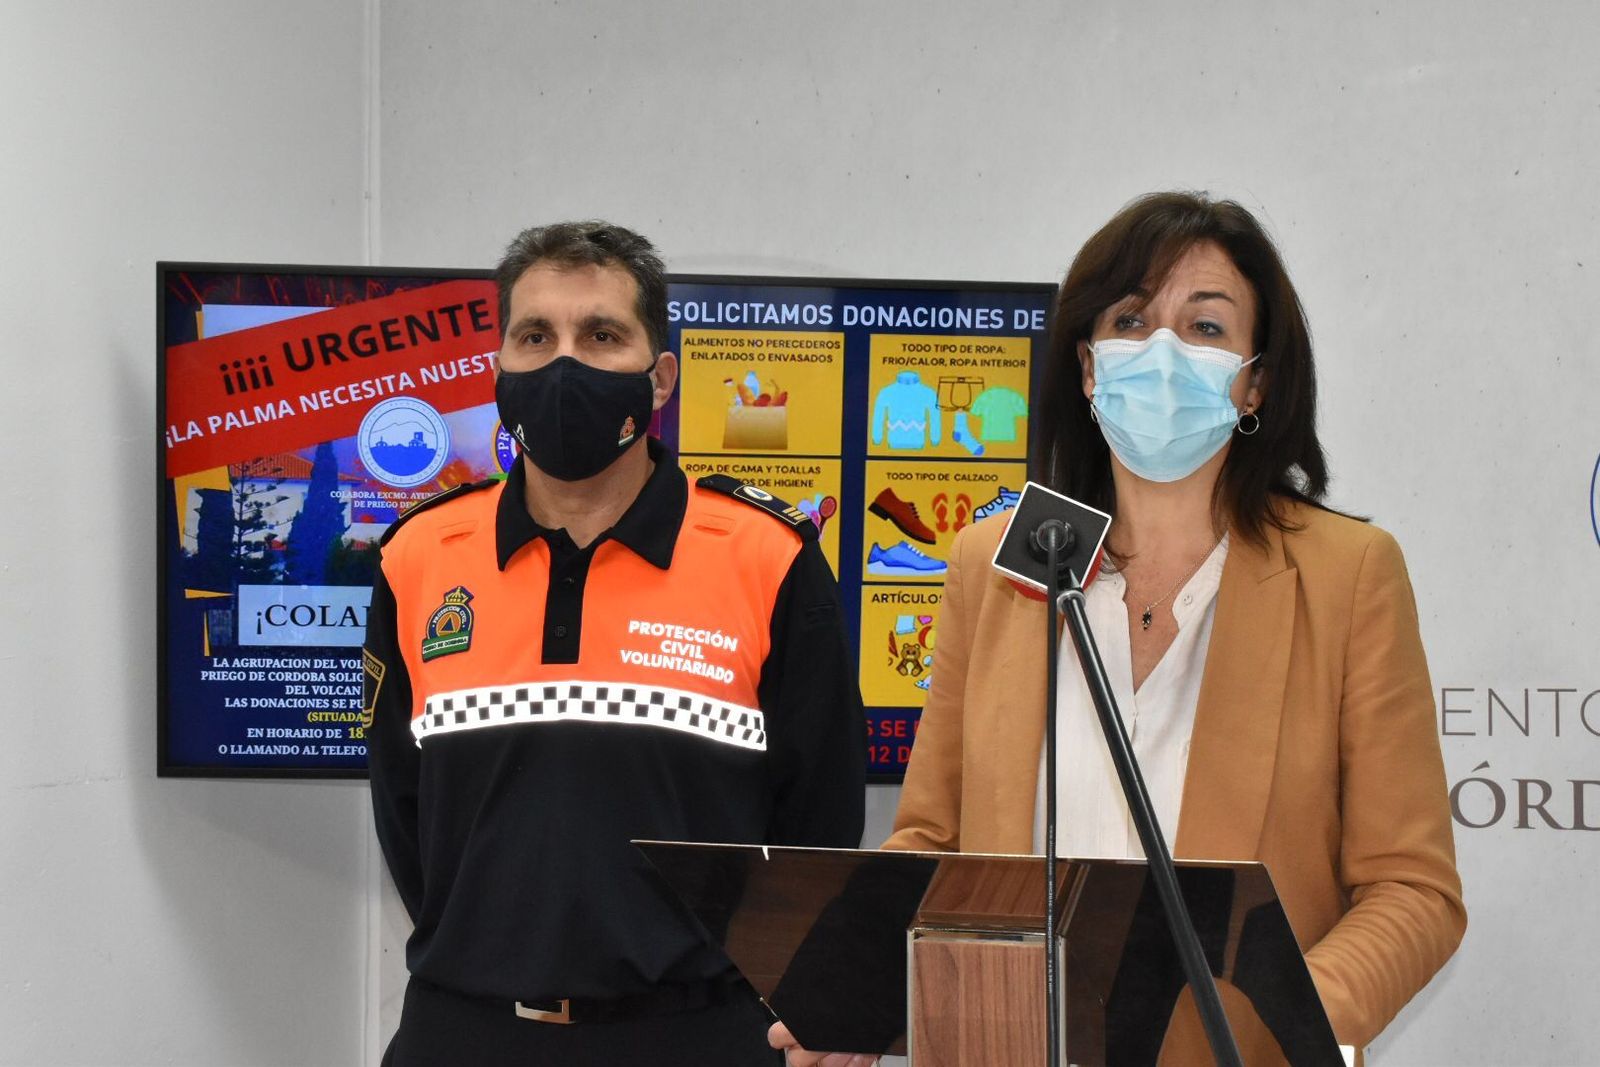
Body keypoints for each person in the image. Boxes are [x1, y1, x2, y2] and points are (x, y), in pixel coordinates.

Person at [771, 192, 1464, 1065]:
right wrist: (865, 977)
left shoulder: (1346, 573)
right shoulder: (998, 559)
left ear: (1256, 380)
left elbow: (1412, 889)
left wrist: (1275, 1018)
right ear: (1090, 368)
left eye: (1205, 326)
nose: (1161, 350)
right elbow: (935, 841)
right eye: (1131, 319)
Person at [365, 220, 866, 1066]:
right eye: (535, 336)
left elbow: (818, 824)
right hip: (464, 1030)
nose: (565, 365)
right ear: (499, 371)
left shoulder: (767, 556)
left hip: (703, 1035)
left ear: (659, 376)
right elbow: (406, 813)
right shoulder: (417, 555)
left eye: (602, 335)